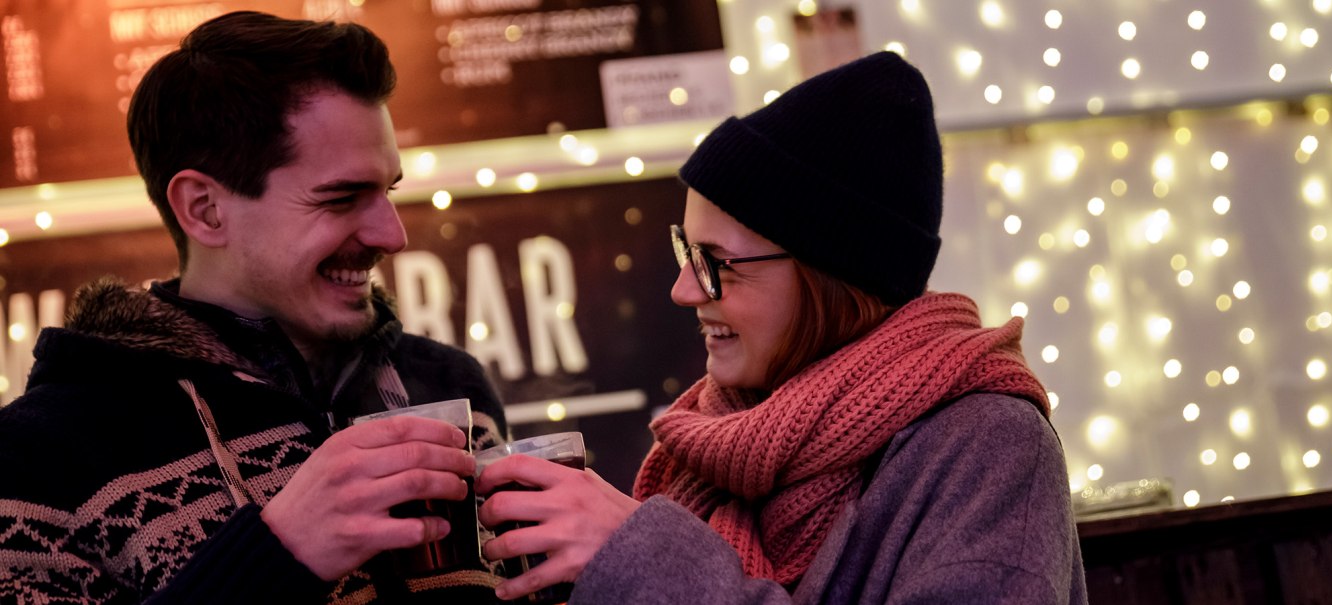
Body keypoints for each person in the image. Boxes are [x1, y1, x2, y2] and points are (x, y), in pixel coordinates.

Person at [475, 52, 1087, 603]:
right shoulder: (712, 447)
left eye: (717, 264)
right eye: (685, 252)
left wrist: (637, 557)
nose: (684, 289)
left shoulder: (989, 446)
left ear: (830, 273)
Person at [0, 11, 507, 604]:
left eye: (388, 190)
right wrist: (273, 555)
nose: (392, 235)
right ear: (205, 209)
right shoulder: (40, 458)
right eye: (342, 197)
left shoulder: (446, 385)